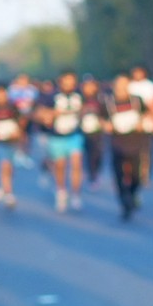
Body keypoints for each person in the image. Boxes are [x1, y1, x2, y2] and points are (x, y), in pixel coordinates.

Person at [34, 70, 86, 212]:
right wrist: (50, 115)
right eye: (66, 81)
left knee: (76, 164)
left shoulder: (79, 95)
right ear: (60, 81)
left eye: (71, 81)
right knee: (60, 166)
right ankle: (61, 192)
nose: (69, 84)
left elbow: (87, 109)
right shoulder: (51, 96)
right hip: (56, 136)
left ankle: (76, 194)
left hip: (74, 135)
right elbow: (39, 113)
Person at [107, 74, 153, 221]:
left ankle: (133, 193)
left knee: (137, 176)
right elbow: (101, 118)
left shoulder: (136, 100)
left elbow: (147, 113)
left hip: (135, 143)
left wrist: (142, 122)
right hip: (118, 143)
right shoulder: (108, 102)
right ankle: (125, 203)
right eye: (118, 84)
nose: (121, 88)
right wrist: (106, 125)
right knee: (119, 175)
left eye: (124, 84)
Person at [0, 82, 24, 206]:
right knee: (4, 166)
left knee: (10, 167)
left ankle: (3, 187)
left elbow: (21, 121)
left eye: (2, 93)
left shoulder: (12, 107)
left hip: (11, 142)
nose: (0, 96)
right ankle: (8, 192)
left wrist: (18, 132)